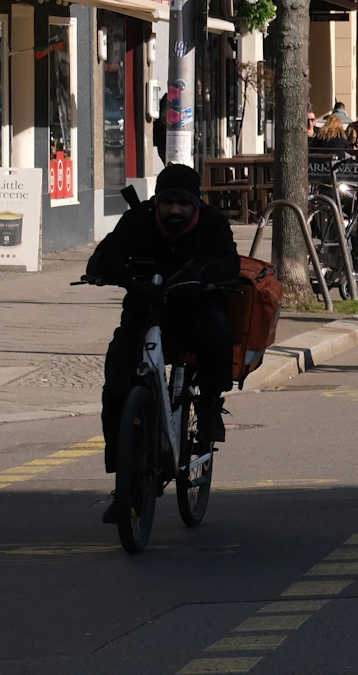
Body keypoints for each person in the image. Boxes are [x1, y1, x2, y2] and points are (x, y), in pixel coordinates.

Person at [87, 163, 238, 515]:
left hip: (195, 312)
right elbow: (105, 253)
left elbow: (229, 263)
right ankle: (125, 480)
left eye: (182, 204)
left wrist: (201, 274)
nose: (174, 211)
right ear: (156, 203)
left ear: (195, 206)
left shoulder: (214, 223)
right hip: (145, 313)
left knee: (217, 332)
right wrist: (107, 268)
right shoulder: (137, 220)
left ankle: (210, 405)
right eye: (167, 202)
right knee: (116, 384)